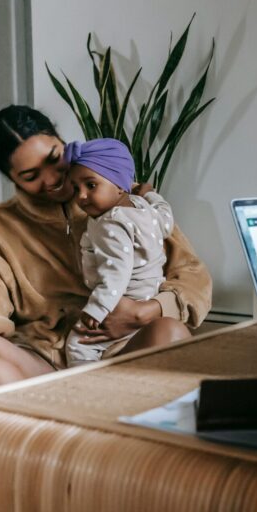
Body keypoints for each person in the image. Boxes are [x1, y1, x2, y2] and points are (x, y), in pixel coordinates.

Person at [0, 106, 212, 486]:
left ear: (64, 143)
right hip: (42, 370)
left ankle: (53, 435)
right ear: (10, 178)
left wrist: (148, 311)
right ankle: (88, 436)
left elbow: (193, 279)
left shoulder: (123, 199)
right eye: (30, 176)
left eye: (54, 159)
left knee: (172, 334)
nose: (53, 180)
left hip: (119, 356)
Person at [62, 138, 175, 366]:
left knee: (77, 344)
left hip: (119, 302)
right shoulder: (143, 207)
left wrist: (97, 309)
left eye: (91, 185)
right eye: (76, 188)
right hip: (149, 296)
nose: (81, 196)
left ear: (120, 185)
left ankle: (86, 387)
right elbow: (166, 218)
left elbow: (117, 274)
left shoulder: (109, 224)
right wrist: (150, 194)